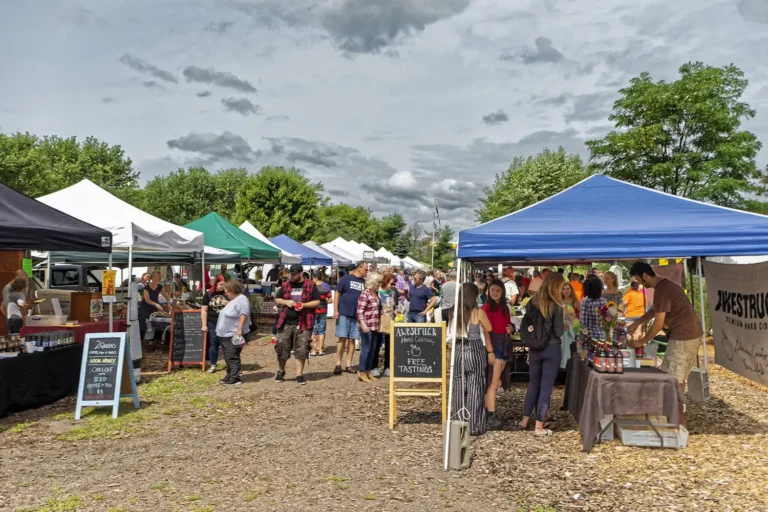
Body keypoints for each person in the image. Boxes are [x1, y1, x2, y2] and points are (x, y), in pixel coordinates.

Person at [627, 262, 703, 425]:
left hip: (685, 335)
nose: (640, 284)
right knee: (672, 375)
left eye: (640, 280)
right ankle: (673, 413)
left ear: (645, 275)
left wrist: (641, 341)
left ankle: (678, 418)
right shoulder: (663, 287)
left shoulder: (663, 288)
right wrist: (637, 323)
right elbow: (655, 310)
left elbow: (658, 324)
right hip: (685, 334)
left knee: (674, 377)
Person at [516, 272, 565, 436]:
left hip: (535, 348)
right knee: (546, 388)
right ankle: (539, 426)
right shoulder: (556, 306)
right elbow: (558, 332)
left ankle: (524, 421)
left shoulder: (533, 302)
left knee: (533, 385)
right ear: (555, 286)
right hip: (552, 349)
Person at [451, 283, 493, 436]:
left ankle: (459, 424)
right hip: (475, 349)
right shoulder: (478, 312)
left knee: (459, 387)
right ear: (475, 296)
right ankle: (474, 425)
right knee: (476, 387)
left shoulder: (454, 312)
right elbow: (488, 328)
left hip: (459, 350)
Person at [274, 264, 320, 385]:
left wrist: (304, 305)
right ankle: (281, 370)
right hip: (286, 321)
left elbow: (317, 301)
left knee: (302, 348)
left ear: (301, 273)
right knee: (282, 346)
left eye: (294, 274)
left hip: (304, 322)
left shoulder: (310, 285)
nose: (291, 276)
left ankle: (299, 374)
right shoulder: (286, 285)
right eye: (291, 274)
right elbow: (277, 299)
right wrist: (286, 301)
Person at [482, 279, 513, 430]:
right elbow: (484, 330)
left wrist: (511, 328)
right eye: (492, 290)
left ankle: (489, 411)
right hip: (494, 345)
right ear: (488, 291)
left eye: (498, 290)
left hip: (504, 344)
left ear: (502, 292)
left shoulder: (505, 307)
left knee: (495, 382)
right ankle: (490, 415)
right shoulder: (486, 308)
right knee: (492, 384)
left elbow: (508, 324)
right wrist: (490, 351)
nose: (494, 293)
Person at [215, 280, 251, 386]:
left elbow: (243, 314)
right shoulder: (233, 300)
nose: (225, 294)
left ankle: (235, 377)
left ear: (233, 290)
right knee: (227, 356)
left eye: (227, 291)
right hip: (224, 334)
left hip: (232, 333)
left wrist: (239, 328)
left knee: (232, 356)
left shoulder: (242, 299)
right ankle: (230, 374)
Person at [334, 261, 366, 375]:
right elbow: (337, 294)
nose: (366, 272)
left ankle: (348, 364)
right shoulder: (346, 279)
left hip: (356, 315)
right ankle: (338, 364)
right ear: (359, 268)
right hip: (344, 312)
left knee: (352, 340)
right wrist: (335, 310)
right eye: (365, 269)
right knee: (342, 338)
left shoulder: (364, 282)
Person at [356, 272, 383, 383]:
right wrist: (363, 324)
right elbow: (360, 311)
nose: (379, 284)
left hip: (375, 325)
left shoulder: (376, 294)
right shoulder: (365, 294)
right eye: (378, 282)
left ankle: (368, 371)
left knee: (373, 350)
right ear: (373, 282)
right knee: (366, 349)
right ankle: (362, 371)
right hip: (367, 325)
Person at [201, 275, 228, 373]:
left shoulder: (228, 293)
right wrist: (204, 325)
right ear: (216, 284)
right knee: (213, 343)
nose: (223, 286)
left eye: (224, 284)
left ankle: (230, 365)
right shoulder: (209, 294)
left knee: (226, 344)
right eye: (221, 284)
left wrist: (227, 303)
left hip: (225, 322)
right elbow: (204, 310)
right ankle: (213, 365)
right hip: (212, 321)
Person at [376, 273, 398, 377]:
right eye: (391, 283)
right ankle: (374, 367)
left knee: (390, 346)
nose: (393, 286)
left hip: (390, 321)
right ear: (385, 281)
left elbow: (394, 305)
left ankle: (387, 367)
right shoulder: (378, 292)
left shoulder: (393, 293)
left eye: (394, 284)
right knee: (376, 345)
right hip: (379, 321)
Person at [139, 271, 167, 342]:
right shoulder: (146, 287)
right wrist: (156, 304)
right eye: (159, 276)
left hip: (153, 309)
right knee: (142, 327)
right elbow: (147, 299)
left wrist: (169, 304)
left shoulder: (160, 287)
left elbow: (166, 295)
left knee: (153, 325)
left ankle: (151, 341)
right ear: (154, 277)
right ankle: (141, 342)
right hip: (144, 308)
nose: (160, 278)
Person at [579, 276, 607, 340]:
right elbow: (608, 319)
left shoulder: (585, 302)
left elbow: (583, 322)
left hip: (590, 337)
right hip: (603, 335)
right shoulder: (603, 301)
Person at [311, 272, 332, 357]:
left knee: (313, 330)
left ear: (316, 278)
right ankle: (320, 350)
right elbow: (330, 300)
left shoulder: (312, 289)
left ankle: (313, 350)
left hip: (314, 311)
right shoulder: (325, 288)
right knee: (322, 330)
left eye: (313, 278)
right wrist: (324, 301)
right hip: (323, 311)